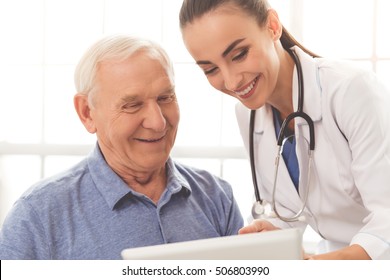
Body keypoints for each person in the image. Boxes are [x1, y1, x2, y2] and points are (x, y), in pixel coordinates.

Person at [179, 0, 390, 260]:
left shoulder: (351, 91)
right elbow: (289, 209)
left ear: (272, 26)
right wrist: (272, 233)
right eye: (210, 69)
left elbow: (386, 221)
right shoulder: (248, 114)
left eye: (239, 55)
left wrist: (314, 267)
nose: (232, 81)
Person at [0, 35, 243, 259]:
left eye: (165, 98)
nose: (158, 122)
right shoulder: (37, 217)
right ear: (87, 113)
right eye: (132, 105)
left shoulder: (217, 197)